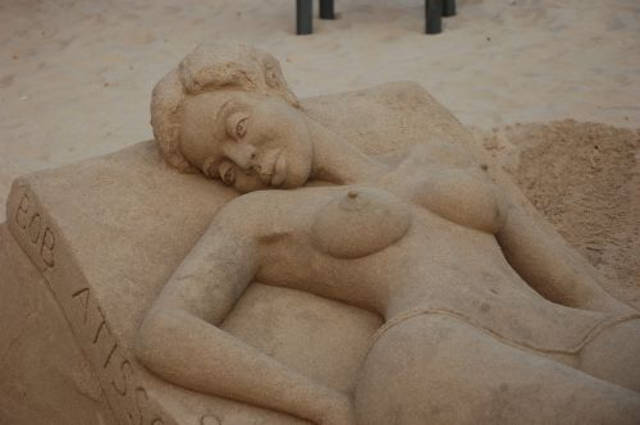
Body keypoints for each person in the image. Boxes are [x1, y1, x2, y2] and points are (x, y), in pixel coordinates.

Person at [135, 43, 640, 425]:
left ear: (272, 86)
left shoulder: (439, 157)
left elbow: (578, 290)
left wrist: (617, 320)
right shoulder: (256, 216)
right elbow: (164, 331)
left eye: (239, 127)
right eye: (222, 170)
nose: (243, 159)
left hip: (564, 328)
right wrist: (328, 405)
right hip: (436, 346)